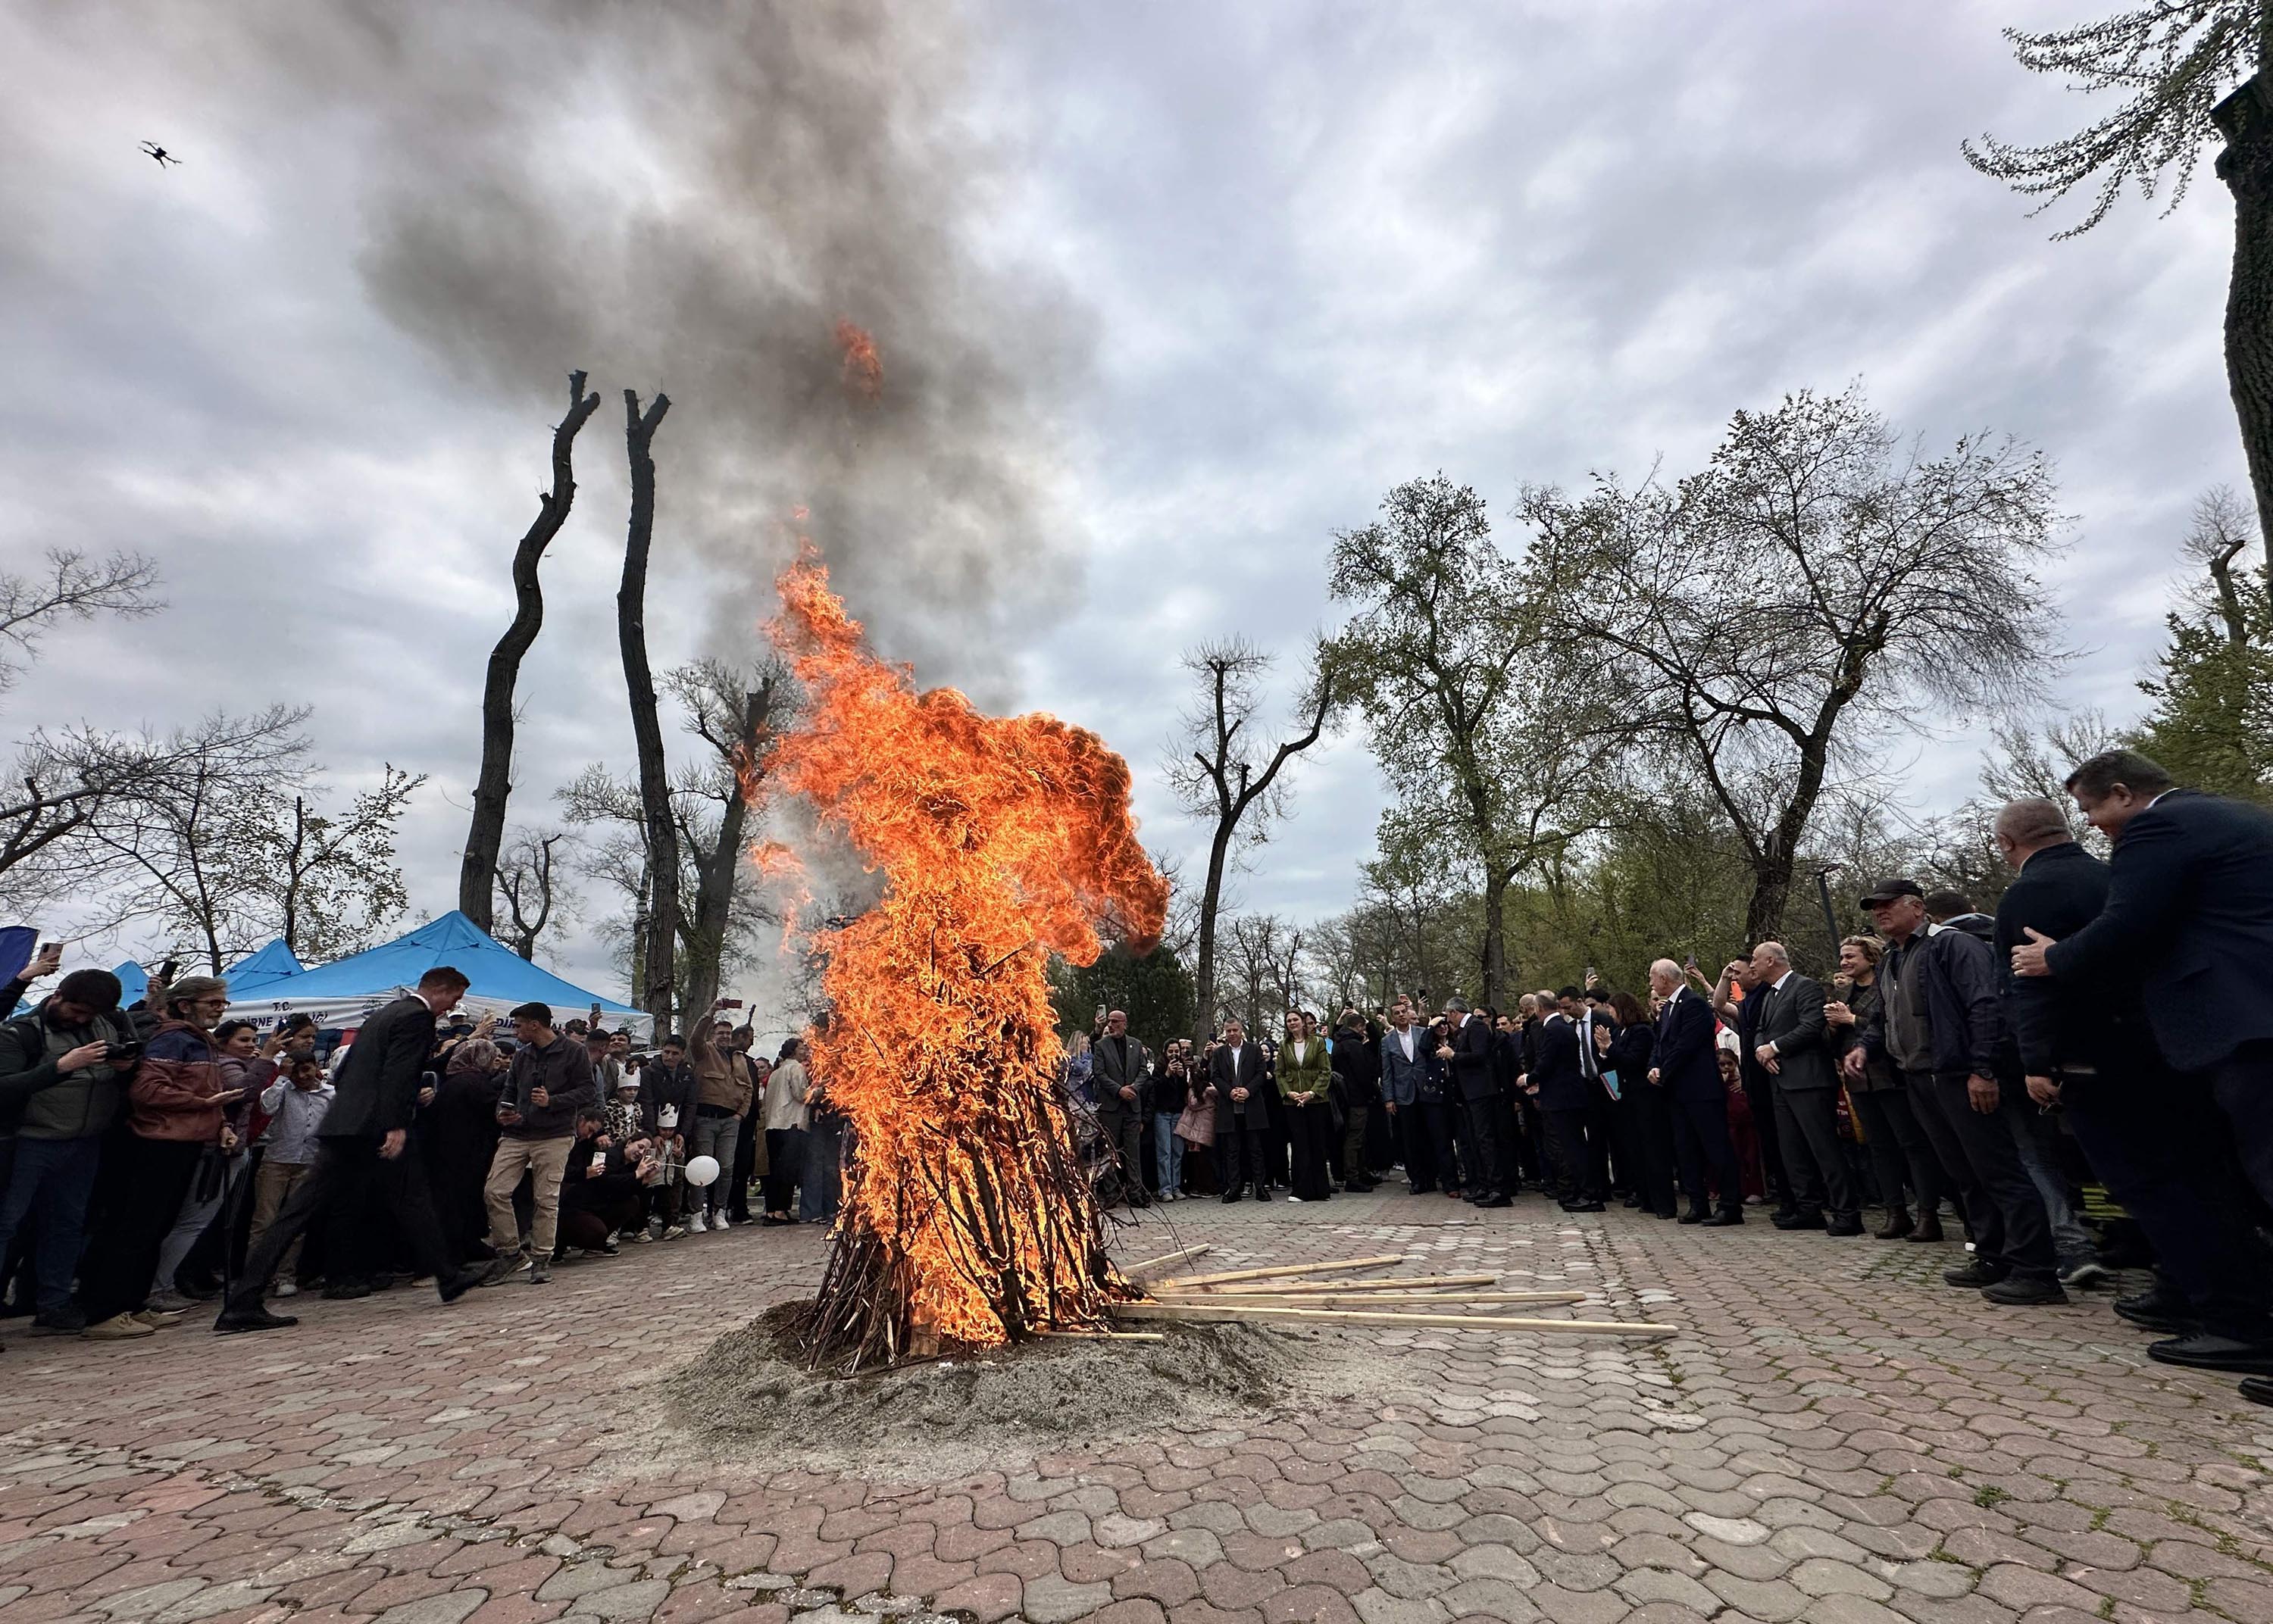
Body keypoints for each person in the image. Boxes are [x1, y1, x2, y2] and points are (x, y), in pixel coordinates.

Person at [1996, 793, 2273, 1376]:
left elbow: (2030, 983)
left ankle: (2234, 1318)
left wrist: (2037, 1061)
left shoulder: (2029, 893)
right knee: (2201, 1176)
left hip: (2096, 1061)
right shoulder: (2113, 876)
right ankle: (2179, 1289)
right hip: (2172, 1050)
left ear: (2007, 845)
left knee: (2152, 1187)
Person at [217, 967, 492, 1333]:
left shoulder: (384, 1015)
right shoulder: (416, 1017)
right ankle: (447, 1275)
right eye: (455, 999)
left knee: (395, 1200)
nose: (452, 1007)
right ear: (442, 991)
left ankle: (447, 1274)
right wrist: (394, 1123)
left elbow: (348, 1072)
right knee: (400, 1199)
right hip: (374, 1126)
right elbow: (400, 1072)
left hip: (347, 1122)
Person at [1854, 879, 2063, 1306]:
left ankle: (2036, 1269)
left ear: (1917, 907)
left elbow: (1985, 1005)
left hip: (1960, 1074)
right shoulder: (1894, 958)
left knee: (1997, 1169)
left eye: (1888, 905)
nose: (1879, 913)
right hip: (1917, 1077)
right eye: (1874, 908)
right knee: (1964, 1172)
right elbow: (1886, 1017)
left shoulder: (1952, 945)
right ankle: (1992, 1254)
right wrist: (1864, 1046)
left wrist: (1982, 1068)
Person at [77, 975, 240, 1340]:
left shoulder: (200, 1041)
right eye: (212, 1003)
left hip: (185, 1141)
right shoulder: (173, 1038)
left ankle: (134, 1303)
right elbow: (148, 1090)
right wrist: (201, 1106)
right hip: (157, 1142)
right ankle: (105, 1310)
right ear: (185, 1004)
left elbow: (207, 1089)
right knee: (134, 1228)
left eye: (222, 1004)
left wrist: (220, 1123)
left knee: (156, 1228)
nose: (220, 1010)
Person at [0, 967, 137, 1335]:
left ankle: (54, 1306)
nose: (82, 1020)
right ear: (58, 995)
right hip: (28, 1142)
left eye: (90, 1015)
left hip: (84, 1142)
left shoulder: (108, 1024)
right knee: (6, 1227)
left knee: (66, 1227)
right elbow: (4, 1088)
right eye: (77, 1011)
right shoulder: (20, 1032)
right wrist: (61, 1066)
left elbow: (127, 1075)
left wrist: (126, 1067)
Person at [1826, 936, 1946, 1241]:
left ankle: (1928, 1214)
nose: (1845, 962)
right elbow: (1833, 1042)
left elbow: (1890, 1025)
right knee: (1879, 1148)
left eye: (1851, 956)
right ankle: (1896, 1212)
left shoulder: (1887, 987)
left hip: (1891, 1077)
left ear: (1871, 957)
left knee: (1911, 1144)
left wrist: (1851, 1019)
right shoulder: (1843, 992)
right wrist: (1831, 1027)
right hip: (1858, 1082)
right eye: (1842, 957)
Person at [1745, 942, 1860, 1237]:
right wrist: (1762, 1049)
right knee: (1792, 1150)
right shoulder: (1771, 995)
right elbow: (1760, 1027)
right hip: (1781, 1081)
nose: (1752, 965)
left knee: (1824, 1148)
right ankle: (1807, 1208)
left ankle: (1847, 1212)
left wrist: (1774, 1048)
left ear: (1771, 960)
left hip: (1809, 1080)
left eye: (1756, 960)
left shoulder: (1805, 987)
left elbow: (1811, 1026)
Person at [483, 1001, 597, 1283]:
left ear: (535, 1024)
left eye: (519, 1025)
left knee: (546, 1198)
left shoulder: (574, 1052)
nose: (516, 1030)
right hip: (518, 1132)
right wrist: (503, 1110)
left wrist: (553, 1102)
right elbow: (510, 1088)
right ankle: (510, 1252)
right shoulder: (522, 1056)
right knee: (494, 1191)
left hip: (555, 1133)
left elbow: (587, 1092)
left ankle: (541, 1258)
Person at [1646, 959, 1743, 1224]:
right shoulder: (1667, 1010)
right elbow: (1661, 1043)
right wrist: (1654, 1066)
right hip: (1677, 1093)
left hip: (1701, 1091)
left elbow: (1686, 1045)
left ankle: (1730, 1205)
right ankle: (1697, 1203)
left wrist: (1663, 1070)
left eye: (1653, 978)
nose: (1651, 984)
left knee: (1715, 1147)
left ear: (1665, 979)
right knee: (1686, 1149)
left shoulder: (1694, 1004)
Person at [246, 1051, 333, 1297]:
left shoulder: (330, 1094)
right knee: (264, 1221)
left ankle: (285, 1274)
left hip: (309, 1162)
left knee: (295, 1222)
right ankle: (256, 1275)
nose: (302, 1077)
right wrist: (282, 1078)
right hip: (277, 1160)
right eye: (296, 1072)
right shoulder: (283, 1090)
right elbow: (267, 1106)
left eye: (306, 1070)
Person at [1712, 956, 1793, 1216]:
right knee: (1768, 1144)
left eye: (1739, 972)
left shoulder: (1769, 996)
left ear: (1755, 974)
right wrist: (1724, 977)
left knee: (1782, 1142)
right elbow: (1719, 1004)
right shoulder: (1747, 1004)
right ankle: (1786, 1199)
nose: (1734, 977)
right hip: (1754, 1082)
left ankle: (1795, 1199)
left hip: (1774, 1076)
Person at [1603, 991, 1674, 1219]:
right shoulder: (1620, 1032)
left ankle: (1663, 1202)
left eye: (1613, 1010)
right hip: (1627, 1097)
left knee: (1652, 1151)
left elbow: (1634, 1060)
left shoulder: (1641, 1032)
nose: (1611, 1015)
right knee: (1635, 1151)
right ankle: (1646, 1197)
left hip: (1645, 1097)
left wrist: (1610, 1048)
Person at [1526, 991, 1596, 1210]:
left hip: (1561, 1099)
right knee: (1570, 1146)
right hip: (1568, 1096)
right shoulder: (1564, 1027)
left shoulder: (1552, 1030)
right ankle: (1577, 1191)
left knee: (1569, 1148)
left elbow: (1547, 1062)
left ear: (1538, 1009)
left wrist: (1528, 1078)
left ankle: (1585, 1194)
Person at [686, 1005, 752, 1232]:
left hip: (729, 1122)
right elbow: (695, 1037)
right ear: (713, 1035)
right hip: (705, 1118)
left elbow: (748, 1090)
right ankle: (696, 1213)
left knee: (726, 1168)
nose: (725, 1036)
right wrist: (711, 1011)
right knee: (701, 1166)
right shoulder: (704, 1051)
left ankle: (719, 1212)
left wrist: (739, 1115)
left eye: (728, 1033)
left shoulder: (739, 1058)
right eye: (720, 1033)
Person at [1437, 998, 1507, 1208]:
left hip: (1481, 1091)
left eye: (1448, 1016)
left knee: (1486, 1139)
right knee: (1477, 1140)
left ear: (1453, 1013)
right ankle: (1484, 1185)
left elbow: (1480, 1055)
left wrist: (1454, 1054)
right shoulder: (1467, 1028)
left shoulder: (1476, 1027)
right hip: (1469, 1093)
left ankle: (1497, 1188)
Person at [1089, 1009, 1152, 1207]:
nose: (1111, 1025)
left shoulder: (1136, 1044)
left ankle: (1135, 1192)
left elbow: (1143, 1070)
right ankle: (1111, 1193)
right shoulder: (1101, 1046)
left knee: (1133, 1151)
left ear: (1125, 1023)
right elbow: (1099, 1073)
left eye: (1116, 1022)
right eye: (1109, 1021)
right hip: (1111, 1106)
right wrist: (1119, 1090)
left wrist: (1133, 1088)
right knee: (1110, 1151)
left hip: (1132, 1106)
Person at [1205, 1018, 1272, 1202]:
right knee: (1232, 1151)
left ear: (1241, 1030)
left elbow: (1261, 1073)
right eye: (1229, 1031)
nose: (1232, 1034)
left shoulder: (1254, 1049)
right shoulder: (1219, 1054)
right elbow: (1215, 1076)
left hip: (1252, 1107)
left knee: (1256, 1150)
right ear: (1224, 1032)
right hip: (1229, 1107)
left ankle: (1260, 1187)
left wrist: (1248, 1090)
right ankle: (1234, 1188)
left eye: (1235, 1030)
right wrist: (1230, 1092)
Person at [1278, 1011, 1337, 1202]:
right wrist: (1290, 1093)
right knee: (1299, 1145)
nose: (1292, 1023)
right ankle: (1301, 1190)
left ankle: (1321, 1190)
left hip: (1317, 1101)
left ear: (1303, 1022)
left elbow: (1325, 1071)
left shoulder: (1318, 1043)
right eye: (1289, 1021)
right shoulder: (1284, 1046)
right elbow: (1279, 1073)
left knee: (1318, 1144)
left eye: (1295, 1020)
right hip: (1293, 1102)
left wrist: (1312, 1092)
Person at [1377, 998, 1430, 1190]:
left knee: (1428, 1135)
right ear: (1392, 1018)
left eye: (1403, 1011)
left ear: (1408, 1013)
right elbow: (1387, 1071)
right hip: (1402, 1094)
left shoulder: (1422, 1034)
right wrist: (1389, 1098)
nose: (1401, 1015)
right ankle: (1415, 1179)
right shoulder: (1387, 1041)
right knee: (1409, 1139)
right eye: (1397, 1013)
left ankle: (1430, 1177)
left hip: (1425, 1091)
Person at [759, 1037, 809, 1224]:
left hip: (772, 1126)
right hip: (790, 1124)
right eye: (802, 1048)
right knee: (787, 1171)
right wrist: (819, 1088)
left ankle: (772, 1210)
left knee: (774, 1171)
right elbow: (802, 1094)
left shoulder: (776, 1073)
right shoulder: (795, 1068)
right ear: (793, 1051)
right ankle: (781, 1210)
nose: (805, 1051)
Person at [1330, 1011, 1381, 1192]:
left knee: (1354, 1137)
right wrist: (1372, 1091)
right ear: (1359, 1027)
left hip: (1343, 1098)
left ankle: (1360, 1172)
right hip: (1357, 1098)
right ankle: (1353, 1176)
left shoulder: (1338, 1044)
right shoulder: (1354, 1046)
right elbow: (1363, 1073)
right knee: (1355, 1138)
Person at [1152, 1038, 1192, 1201]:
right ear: (1165, 1052)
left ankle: (1176, 1187)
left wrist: (1182, 1077)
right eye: (1171, 1052)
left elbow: (1185, 1093)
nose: (1174, 1055)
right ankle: (1165, 1189)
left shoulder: (1182, 1069)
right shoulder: (1159, 1069)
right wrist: (1168, 1074)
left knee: (1178, 1152)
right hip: (1162, 1114)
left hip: (1177, 1114)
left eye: (1177, 1052)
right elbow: (1156, 1090)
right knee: (1164, 1153)